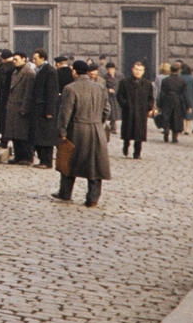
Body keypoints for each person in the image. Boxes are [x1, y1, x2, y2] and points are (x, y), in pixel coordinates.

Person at [51, 61, 111, 208]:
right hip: (96, 129)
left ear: (75, 72)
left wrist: (62, 131)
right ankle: (92, 198)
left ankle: (65, 193)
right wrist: (98, 121)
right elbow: (106, 110)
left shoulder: (70, 88)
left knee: (69, 159)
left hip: (77, 129)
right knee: (95, 165)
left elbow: (65, 112)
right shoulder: (100, 87)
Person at [28, 50, 60, 168]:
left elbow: (52, 92)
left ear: (43, 58)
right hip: (39, 108)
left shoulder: (50, 71)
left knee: (46, 137)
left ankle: (46, 161)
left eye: (36, 58)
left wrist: (50, 111)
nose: (33, 61)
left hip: (45, 109)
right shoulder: (40, 70)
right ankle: (42, 160)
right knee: (39, 136)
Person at [117, 61, 154, 159]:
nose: (138, 72)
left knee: (139, 133)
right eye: (136, 69)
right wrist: (125, 104)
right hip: (129, 111)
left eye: (140, 70)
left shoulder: (147, 84)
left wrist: (148, 107)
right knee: (127, 130)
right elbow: (120, 95)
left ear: (143, 72)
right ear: (132, 70)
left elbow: (150, 98)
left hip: (141, 112)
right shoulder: (124, 82)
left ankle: (137, 152)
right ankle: (126, 144)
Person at [4, 52, 35, 164]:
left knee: (23, 134)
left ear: (24, 59)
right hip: (13, 106)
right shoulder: (15, 72)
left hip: (21, 106)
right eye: (13, 59)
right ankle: (18, 156)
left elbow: (28, 92)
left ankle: (26, 157)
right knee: (14, 134)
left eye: (16, 59)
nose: (14, 61)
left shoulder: (29, 73)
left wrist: (24, 108)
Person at [155, 64, 187, 143]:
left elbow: (162, 93)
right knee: (176, 118)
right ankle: (174, 137)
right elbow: (185, 94)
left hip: (167, 99)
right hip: (177, 100)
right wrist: (188, 105)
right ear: (178, 71)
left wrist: (159, 104)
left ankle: (166, 129)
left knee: (166, 116)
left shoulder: (165, 80)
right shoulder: (181, 81)